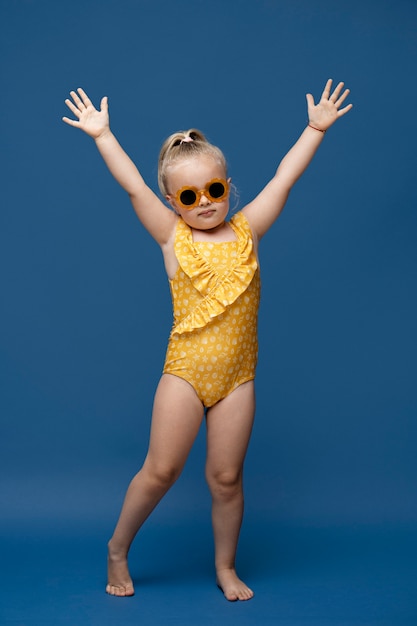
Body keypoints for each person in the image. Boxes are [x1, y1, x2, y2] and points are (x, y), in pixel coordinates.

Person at [62, 79, 352, 601]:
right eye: (189, 197)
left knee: (225, 478)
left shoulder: (248, 231)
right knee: (162, 469)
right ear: (174, 202)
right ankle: (118, 547)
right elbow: (133, 186)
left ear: (227, 186)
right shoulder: (173, 237)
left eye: (214, 191)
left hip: (239, 376)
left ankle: (225, 566)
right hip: (187, 372)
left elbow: (285, 179)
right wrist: (102, 136)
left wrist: (314, 129)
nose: (204, 204)